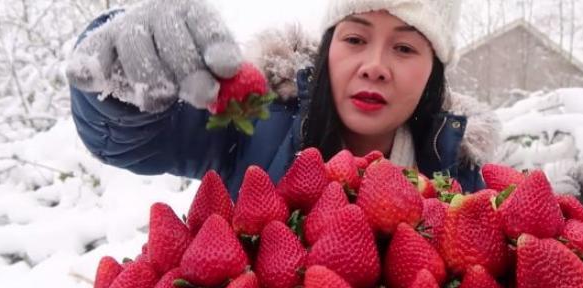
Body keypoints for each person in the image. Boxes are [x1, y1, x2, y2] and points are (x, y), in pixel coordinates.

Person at [65, 0, 500, 199]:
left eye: (405, 48)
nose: (374, 65)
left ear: (433, 74)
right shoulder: (258, 123)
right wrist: (125, 69)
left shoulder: (464, 181)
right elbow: (127, 140)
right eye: (354, 38)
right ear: (327, 49)